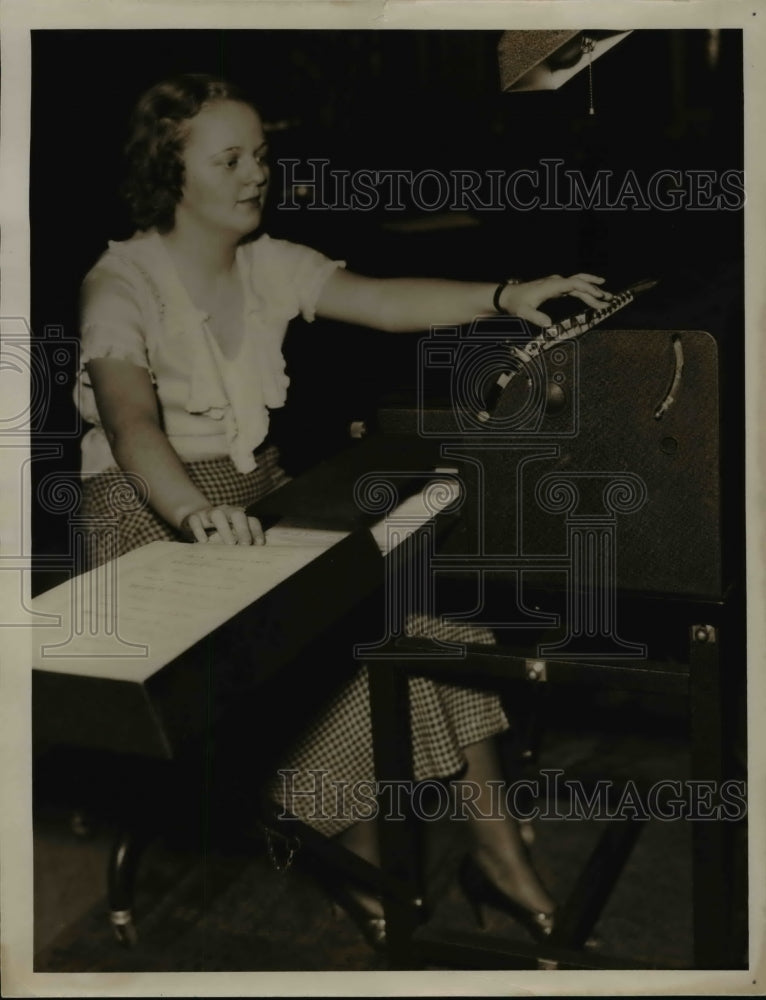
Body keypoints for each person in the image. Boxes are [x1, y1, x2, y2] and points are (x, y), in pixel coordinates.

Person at [75, 73, 612, 951]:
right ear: (170, 173)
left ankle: (497, 854)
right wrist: (191, 515)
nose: (258, 173)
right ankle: (363, 865)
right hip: (148, 515)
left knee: (423, 625)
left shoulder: (266, 264)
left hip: (259, 497)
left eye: (262, 155)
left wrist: (508, 294)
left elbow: (385, 298)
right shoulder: (119, 283)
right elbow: (134, 428)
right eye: (232, 159)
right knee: (337, 671)